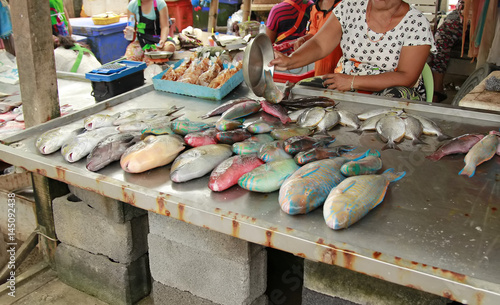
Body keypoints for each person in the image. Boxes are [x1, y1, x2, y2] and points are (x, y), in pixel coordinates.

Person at [270, 0, 436, 101]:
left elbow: (406, 76)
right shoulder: (350, 6)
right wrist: (290, 60)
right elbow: (320, 43)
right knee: (302, 90)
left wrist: (352, 81)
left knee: (389, 101)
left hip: (392, 88)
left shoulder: (416, 23)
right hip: (345, 80)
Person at [293, 0, 342, 76]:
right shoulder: (314, 8)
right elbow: (314, 34)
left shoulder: (344, 6)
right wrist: (303, 39)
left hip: (341, 70)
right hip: (320, 69)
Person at [428, 0, 465, 103]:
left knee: (442, 36)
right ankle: (436, 88)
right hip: (461, 14)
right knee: (440, 39)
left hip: (484, 18)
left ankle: (436, 90)